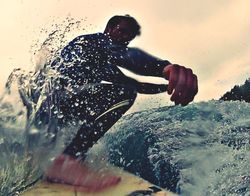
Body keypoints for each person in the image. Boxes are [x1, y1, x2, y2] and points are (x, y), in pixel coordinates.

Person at [34, 15, 198, 191]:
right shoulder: (89, 43)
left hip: (50, 116)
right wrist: (166, 68)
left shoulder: (99, 62)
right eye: (123, 31)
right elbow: (130, 57)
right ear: (109, 29)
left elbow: (136, 85)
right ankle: (68, 160)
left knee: (126, 90)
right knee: (124, 94)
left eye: (130, 37)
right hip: (54, 106)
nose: (125, 38)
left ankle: (54, 157)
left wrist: (168, 87)